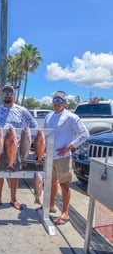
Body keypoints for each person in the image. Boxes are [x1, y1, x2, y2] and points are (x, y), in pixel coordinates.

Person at [0, 84, 38, 210]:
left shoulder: (22, 111)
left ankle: (13, 199)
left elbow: (34, 127)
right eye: (5, 93)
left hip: (14, 147)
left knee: (14, 173)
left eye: (10, 93)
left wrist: (29, 143)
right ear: (2, 95)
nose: (7, 95)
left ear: (13, 95)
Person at [44, 91, 89, 225]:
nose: (57, 102)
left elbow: (85, 134)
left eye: (60, 100)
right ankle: (50, 206)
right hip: (49, 157)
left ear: (65, 102)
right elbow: (46, 135)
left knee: (64, 184)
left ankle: (65, 212)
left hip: (63, 157)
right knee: (50, 182)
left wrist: (70, 146)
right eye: (55, 100)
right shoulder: (48, 116)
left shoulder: (71, 117)